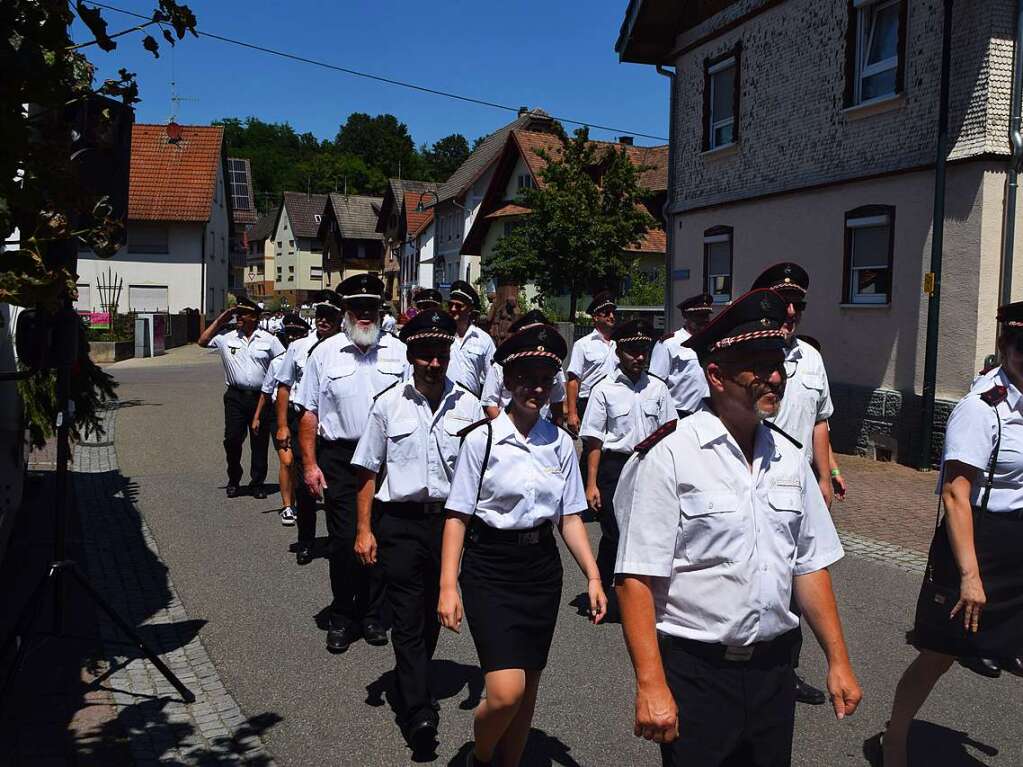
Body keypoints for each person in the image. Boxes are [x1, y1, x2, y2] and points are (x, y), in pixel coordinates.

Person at [613, 288, 862, 767]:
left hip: (774, 671)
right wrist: (650, 683)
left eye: (778, 365)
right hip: (697, 673)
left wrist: (838, 660)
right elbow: (636, 579)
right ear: (716, 375)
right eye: (758, 366)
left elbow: (808, 566)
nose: (774, 377)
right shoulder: (671, 455)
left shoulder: (790, 457)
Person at [438, 323, 608, 767]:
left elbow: (569, 517)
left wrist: (593, 576)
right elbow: (457, 515)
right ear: (508, 383)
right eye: (525, 379)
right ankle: (481, 755)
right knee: (504, 691)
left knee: (528, 684)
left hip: (540, 570)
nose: (536, 388)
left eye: (545, 380)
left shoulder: (560, 444)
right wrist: (447, 586)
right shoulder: (483, 439)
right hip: (489, 566)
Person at [879, 301, 1023, 767]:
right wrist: (970, 576)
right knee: (939, 654)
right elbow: (956, 497)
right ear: (1004, 346)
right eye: (1022, 346)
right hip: (977, 541)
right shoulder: (981, 410)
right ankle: (895, 740)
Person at [351, 309, 484, 753]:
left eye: (441, 354)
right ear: (411, 355)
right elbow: (368, 471)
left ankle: (415, 677)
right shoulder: (388, 404)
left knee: (430, 616)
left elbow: (480, 471)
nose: (433, 362)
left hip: (448, 523)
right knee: (408, 616)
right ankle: (418, 712)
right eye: (425, 354)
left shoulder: (467, 405)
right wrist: (364, 529)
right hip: (401, 525)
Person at [294, 274, 410, 653]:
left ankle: (375, 615)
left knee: (381, 536)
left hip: (387, 459)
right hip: (341, 458)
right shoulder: (324, 354)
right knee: (344, 542)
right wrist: (310, 465)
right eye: (357, 307)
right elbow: (309, 413)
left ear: (381, 310)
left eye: (371, 307)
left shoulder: (399, 352)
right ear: (345, 311)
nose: (364, 313)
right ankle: (343, 615)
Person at [752, 262, 836, 706]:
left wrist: (825, 476)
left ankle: (788, 670)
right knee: (761, 577)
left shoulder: (812, 358)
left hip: (797, 487)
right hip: (754, 484)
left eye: (798, 304)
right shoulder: (747, 356)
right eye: (783, 303)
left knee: (799, 579)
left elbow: (820, 422)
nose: (790, 312)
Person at [580, 319, 674, 616]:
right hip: (613, 468)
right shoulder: (603, 390)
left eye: (644, 350)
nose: (639, 357)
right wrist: (591, 483)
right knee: (615, 533)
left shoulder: (658, 388)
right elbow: (593, 440)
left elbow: (671, 432)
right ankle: (607, 590)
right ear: (619, 352)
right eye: (633, 351)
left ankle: (633, 595)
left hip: (649, 467)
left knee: (643, 534)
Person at [275, 290, 344, 565]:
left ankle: (339, 540)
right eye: (320, 315)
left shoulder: (346, 347)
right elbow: (284, 386)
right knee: (305, 489)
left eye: (330, 315)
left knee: (337, 489)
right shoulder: (299, 346)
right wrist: (281, 426)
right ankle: (306, 540)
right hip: (302, 419)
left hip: (333, 425)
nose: (323, 320)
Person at [198, 297, 285, 499]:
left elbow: (281, 363)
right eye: (236, 314)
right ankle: (234, 479)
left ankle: (257, 482)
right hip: (235, 397)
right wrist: (221, 319)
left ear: (254, 317)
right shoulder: (226, 338)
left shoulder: (269, 340)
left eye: (242, 314)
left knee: (259, 442)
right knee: (232, 440)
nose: (237, 317)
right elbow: (202, 341)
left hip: (260, 398)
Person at [251, 313, 310, 525]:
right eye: (289, 334)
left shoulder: (311, 359)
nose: (293, 338)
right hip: (280, 414)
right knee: (287, 461)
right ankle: (287, 506)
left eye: (297, 334)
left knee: (301, 462)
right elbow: (266, 392)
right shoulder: (277, 363)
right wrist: (257, 416)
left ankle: (302, 499)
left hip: (303, 414)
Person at [480, 310, 566, 424]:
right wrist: (507, 430)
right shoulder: (502, 365)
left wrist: (554, 431)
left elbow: (558, 403)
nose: (538, 388)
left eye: (546, 379)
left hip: (543, 429)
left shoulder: (552, 367)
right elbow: (490, 402)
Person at [650, 293, 714, 418]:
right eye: (699, 316)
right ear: (686, 316)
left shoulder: (712, 342)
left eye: (706, 315)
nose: (705, 320)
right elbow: (656, 384)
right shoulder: (669, 343)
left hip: (708, 415)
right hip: (680, 414)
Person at [565, 291, 617, 434]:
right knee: (591, 446)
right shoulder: (583, 344)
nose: (611, 316)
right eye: (606, 313)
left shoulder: (618, 345)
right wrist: (572, 413)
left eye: (613, 312)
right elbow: (573, 381)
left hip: (615, 401)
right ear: (595, 317)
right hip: (589, 402)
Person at [444, 280, 496, 397]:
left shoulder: (483, 339)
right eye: (450, 304)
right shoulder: (442, 336)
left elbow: (492, 377)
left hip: (472, 404)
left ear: (470, 309)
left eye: (458, 306)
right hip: (443, 403)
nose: (453, 309)